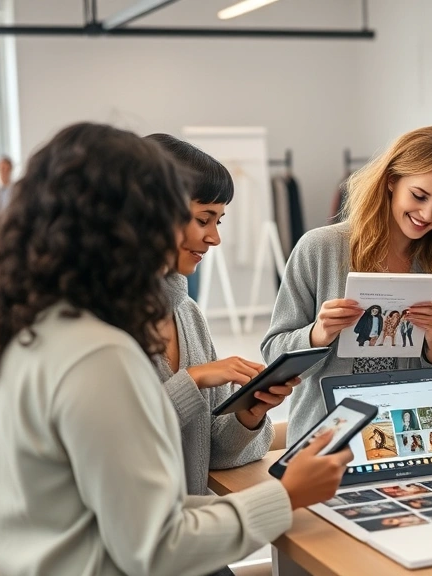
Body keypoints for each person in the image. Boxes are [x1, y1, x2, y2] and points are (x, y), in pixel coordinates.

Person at [0, 122, 352, 576]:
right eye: (178, 215)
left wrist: (247, 414)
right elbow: (156, 548)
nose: (207, 236)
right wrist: (285, 496)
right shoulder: (96, 353)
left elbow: (186, 472)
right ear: (122, 224)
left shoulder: (38, 328)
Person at [262, 126, 432, 444]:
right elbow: (273, 356)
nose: (427, 213)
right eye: (419, 196)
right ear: (392, 180)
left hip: (404, 438)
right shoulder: (320, 249)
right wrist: (318, 334)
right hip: (327, 440)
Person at [143, 133, 291, 496]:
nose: (214, 238)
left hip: (198, 543)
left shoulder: (188, 316)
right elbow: (118, 441)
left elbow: (212, 454)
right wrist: (192, 380)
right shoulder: (102, 324)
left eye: (219, 222)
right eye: (204, 219)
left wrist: (248, 413)